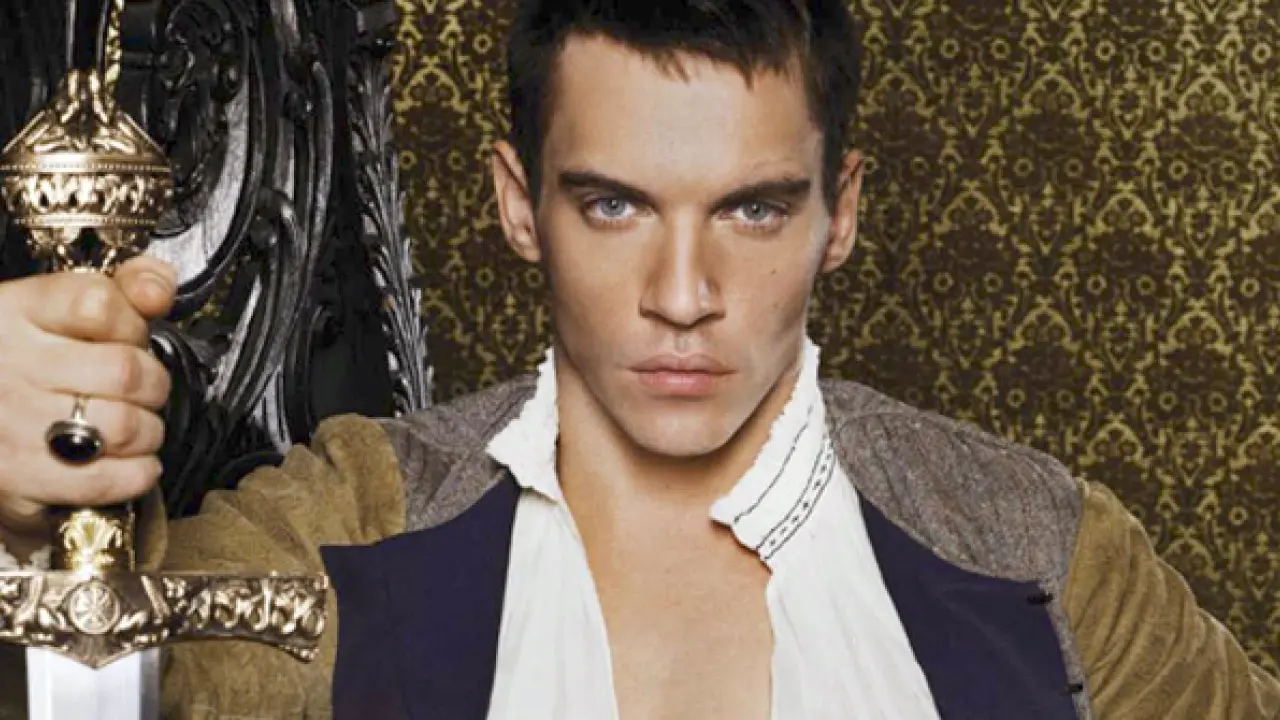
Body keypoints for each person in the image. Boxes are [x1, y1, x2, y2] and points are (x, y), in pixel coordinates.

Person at [1, 0, 1277, 717]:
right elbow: (78, 670)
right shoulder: (352, 525)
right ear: (519, 205)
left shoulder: (1034, 546)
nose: (681, 297)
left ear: (839, 214)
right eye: (613, 205)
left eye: (751, 210)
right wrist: (17, 509)